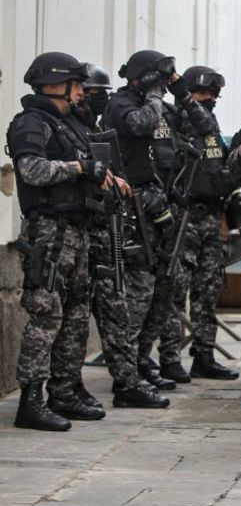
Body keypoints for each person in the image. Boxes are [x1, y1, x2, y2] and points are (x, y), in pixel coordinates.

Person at [7, 54, 114, 429]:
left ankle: (65, 391)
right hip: (48, 232)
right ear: (55, 84)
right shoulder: (31, 124)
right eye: (76, 84)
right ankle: (31, 401)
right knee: (46, 314)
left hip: (77, 229)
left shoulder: (70, 124)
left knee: (76, 314)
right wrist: (80, 168)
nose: (83, 91)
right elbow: (31, 170)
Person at [102, 50, 206, 392]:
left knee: (165, 289)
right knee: (139, 293)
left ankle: (143, 358)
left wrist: (180, 91)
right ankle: (127, 369)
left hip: (162, 205)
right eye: (160, 77)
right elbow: (140, 124)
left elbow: (204, 126)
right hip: (133, 209)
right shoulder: (121, 104)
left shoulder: (162, 105)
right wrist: (156, 94)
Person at [74, 65, 169, 409]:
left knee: (115, 306)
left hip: (106, 226)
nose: (94, 97)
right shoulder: (60, 127)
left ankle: (126, 381)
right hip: (74, 231)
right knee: (73, 316)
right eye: (87, 90)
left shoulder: (88, 126)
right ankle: (65, 387)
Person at [157, 66, 238, 382]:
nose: (211, 99)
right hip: (183, 218)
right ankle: (168, 358)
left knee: (208, 291)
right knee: (175, 292)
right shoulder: (175, 122)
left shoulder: (210, 124)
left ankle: (204, 353)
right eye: (204, 93)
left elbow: (220, 166)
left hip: (211, 217)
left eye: (215, 94)